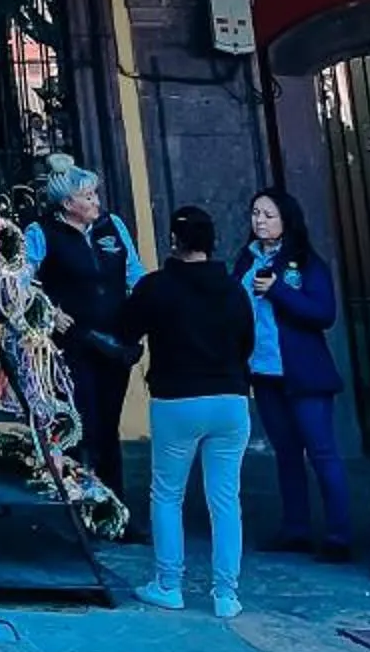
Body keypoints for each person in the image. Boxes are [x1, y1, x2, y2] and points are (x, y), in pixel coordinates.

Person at [118, 204, 257, 618]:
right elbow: (246, 343)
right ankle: (226, 594)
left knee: (167, 495)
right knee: (226, 499)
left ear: (174, 240)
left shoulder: (156, 287)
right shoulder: (234, 288)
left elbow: (125, 329)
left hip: (177, 399)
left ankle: (168, 583)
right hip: (231, 400)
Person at [22, 160, 143, 505]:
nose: (96, 202)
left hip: (115, 342)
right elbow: (20, 284)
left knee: (108, 425)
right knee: (80, 424)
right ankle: (78, 500)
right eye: (87, 196)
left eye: (95, 194)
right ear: (67, 204)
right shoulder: (41, 232)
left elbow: (135, 275)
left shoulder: (113, 226)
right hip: (72, 346)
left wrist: (139, 317)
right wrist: (48, 311)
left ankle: (113, 505)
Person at [242, 187, 352, 560]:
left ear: (286, 221)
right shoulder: (247, 259)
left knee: (322, 453)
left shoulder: (306, 262)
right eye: (255, 213)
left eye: (268, 215)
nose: (259, 221)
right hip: (264, 370)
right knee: (286, 453)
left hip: (305, 373)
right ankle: (296, 529)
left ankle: (339, 535)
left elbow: (323, 313)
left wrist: (278, 292)